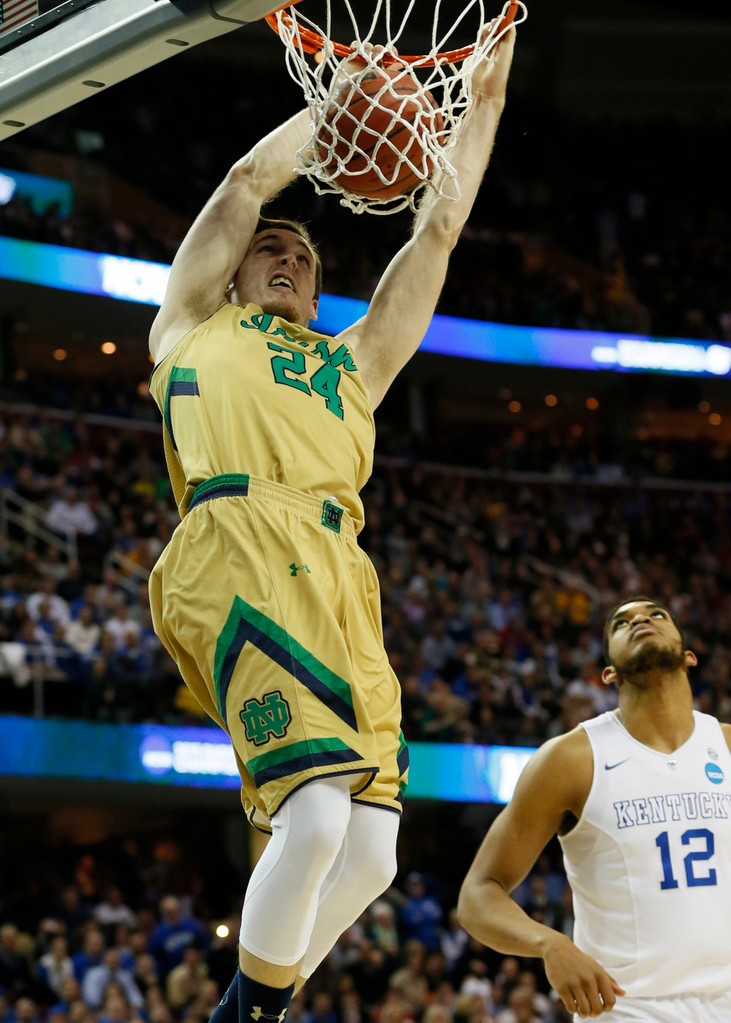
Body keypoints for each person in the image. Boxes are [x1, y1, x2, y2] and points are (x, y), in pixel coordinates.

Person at [147, 22, 516, 1023]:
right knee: (309, 818)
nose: (287, 257)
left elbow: (434, 232)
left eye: (303, 256)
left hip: (337, 570)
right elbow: (242, 187)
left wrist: (481, 105)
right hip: (235, 542)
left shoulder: (351, 365)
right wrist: (337, 109)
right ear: (233, 273)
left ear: (317, 291)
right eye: (270, 249)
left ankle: (245, 1009)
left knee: (372, 852)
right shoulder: (192, 323)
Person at [457, 596, 731, 1021]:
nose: (640, 620)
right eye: (622, 622)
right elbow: (477, 894)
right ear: (609, 673)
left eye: (656, 614)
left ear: (689, 656)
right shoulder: (570, 760)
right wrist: (550, 944)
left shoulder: (726, 745)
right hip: (629, 1009)